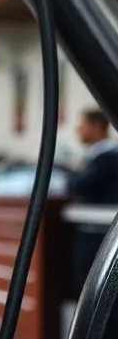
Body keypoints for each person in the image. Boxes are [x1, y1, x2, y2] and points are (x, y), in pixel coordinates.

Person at [68, 107, 118, 292]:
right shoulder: (98, 158)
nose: (78, 130)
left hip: (98, 237)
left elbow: (79, 186)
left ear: (97, 127)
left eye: (83, 125)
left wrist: (72, 176)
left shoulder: (107, 159)